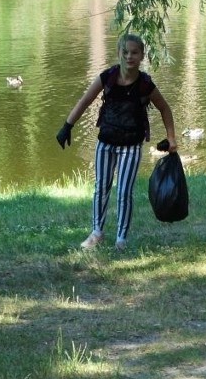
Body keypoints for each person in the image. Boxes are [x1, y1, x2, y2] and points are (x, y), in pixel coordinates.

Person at [56, 34, 178, 250]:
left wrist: (171, 138)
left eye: (134, 52)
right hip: (105, 142)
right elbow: (85, 100)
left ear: (141, 56)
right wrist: (67, 126)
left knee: (124, 191)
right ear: (119, 53)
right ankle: (96, 233)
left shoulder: (145, 84)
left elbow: (165, 108)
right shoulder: (108, 77)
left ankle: (121, 239)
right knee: (101, 188)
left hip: (131, 145)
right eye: (125, 52)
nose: (129, 56)